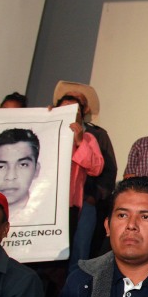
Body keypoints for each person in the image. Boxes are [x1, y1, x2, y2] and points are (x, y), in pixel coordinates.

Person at [55, 95, 104, 271]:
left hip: (72, 206)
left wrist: (79, 141)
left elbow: (96, 168)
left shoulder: (89, 138)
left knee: (73, 255)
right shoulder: (44, 132)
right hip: (43, 205)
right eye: (64, 107)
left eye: (73, 109)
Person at [0, 128, 41, 225]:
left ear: (36, 170)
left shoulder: (47, 215)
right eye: (0, 167)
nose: (10, 176)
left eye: (23, 165)